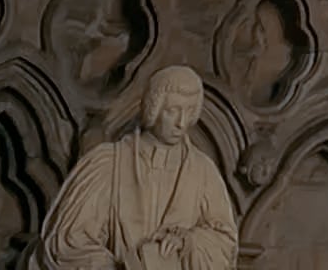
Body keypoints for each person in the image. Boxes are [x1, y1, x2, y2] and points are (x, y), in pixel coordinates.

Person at [43, 65, 236, 270]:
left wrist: (188, 242)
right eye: (172, 111)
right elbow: (70, 241)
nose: (182, 122)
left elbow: (225, 243)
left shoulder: (203, 172)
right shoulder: (109, 163)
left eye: (189, 111)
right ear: (153, 109)